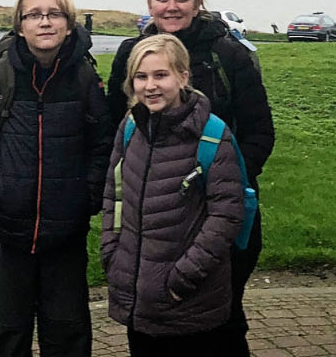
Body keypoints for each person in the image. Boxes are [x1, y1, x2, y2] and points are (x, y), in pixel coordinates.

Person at [105, 0, 274, 355]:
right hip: (153, 217)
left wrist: (215, 183)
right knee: (150, 324)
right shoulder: (133, 53)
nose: (172, 6)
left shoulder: (228, 54)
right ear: (150, 4)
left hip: (219, 212)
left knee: (221, 323)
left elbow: (259, 132)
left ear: (198, 3)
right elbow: (116, 131)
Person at [0, 0, 111, 357]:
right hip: (7, 231)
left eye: (54, 14)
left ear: (68, 24)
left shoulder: (85, 79)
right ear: (20, 26)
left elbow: (104, 146)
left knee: (67, 333)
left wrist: (84, 199)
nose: (45, 22)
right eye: (34, 15)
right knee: (6, 334)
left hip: (66, 233)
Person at [101, 34, 246, 357]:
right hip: (138, 296)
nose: (150, 86)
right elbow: (115, 193)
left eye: (161, 75)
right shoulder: (130, 127)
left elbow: (225, 215)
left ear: (183, 77)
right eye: (141, 76)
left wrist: (182, 277)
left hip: (189, 299)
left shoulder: (211, 135)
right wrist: (112, 253)